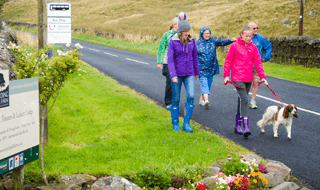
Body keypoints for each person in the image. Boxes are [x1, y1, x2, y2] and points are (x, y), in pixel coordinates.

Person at [223, 26, 268, 137]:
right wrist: (226, 76)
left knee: (241, 100)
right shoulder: (234, 46)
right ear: (241, 35)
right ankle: (246, 126)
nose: (248, 38)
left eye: (250, 36)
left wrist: (263, 77)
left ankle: (237, 125)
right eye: (246, 36)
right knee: (244, 99)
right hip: (237, 77)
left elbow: (258, 62)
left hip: (248, 78)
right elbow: (228, 61)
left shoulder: (253, 47)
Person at [167, 18, 199, 132]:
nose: (188, 33)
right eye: (185, 31)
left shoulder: (192, 41)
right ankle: (175, 123)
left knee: (191, 96)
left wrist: (196, 72)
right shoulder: (173, 41)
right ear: (180, 32)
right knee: (175, 99)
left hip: (189, 73)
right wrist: (173, 75)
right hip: (177, 75)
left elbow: (195, 57)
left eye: (188, 30)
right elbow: (170, 60)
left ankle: (186, 124)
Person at [196, 26, 235, 108]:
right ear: (202, 34)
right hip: (201, 68)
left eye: (209, 33)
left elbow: (221, 42)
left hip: (211, 67)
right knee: (204, 84)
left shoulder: (213, 41)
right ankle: (206, 100)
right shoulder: (197, 43)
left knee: (208, 84)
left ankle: (201, 100)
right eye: (206, 33)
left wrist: (231, 40)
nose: (208, 35)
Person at [248, 22, 272, 109]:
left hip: (257, 66)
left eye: (257, 28)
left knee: (255, 83)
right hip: (246, 67)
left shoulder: (261, 38)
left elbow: (269, 46)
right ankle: (243, 99)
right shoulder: (246, 38)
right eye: (254, 28)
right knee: (246, 84)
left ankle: (252, 101)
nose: (256, 29)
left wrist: (266, 57)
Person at [157, 17, 179, 110]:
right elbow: (161, 48)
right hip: (167, 62)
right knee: (169, 82)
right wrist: (159, 61)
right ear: (174, 25)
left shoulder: (181, 35)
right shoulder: (167, 35)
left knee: (177, 83)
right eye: (178, 24)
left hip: (178, 63)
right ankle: (168, 102)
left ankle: (175, 102)